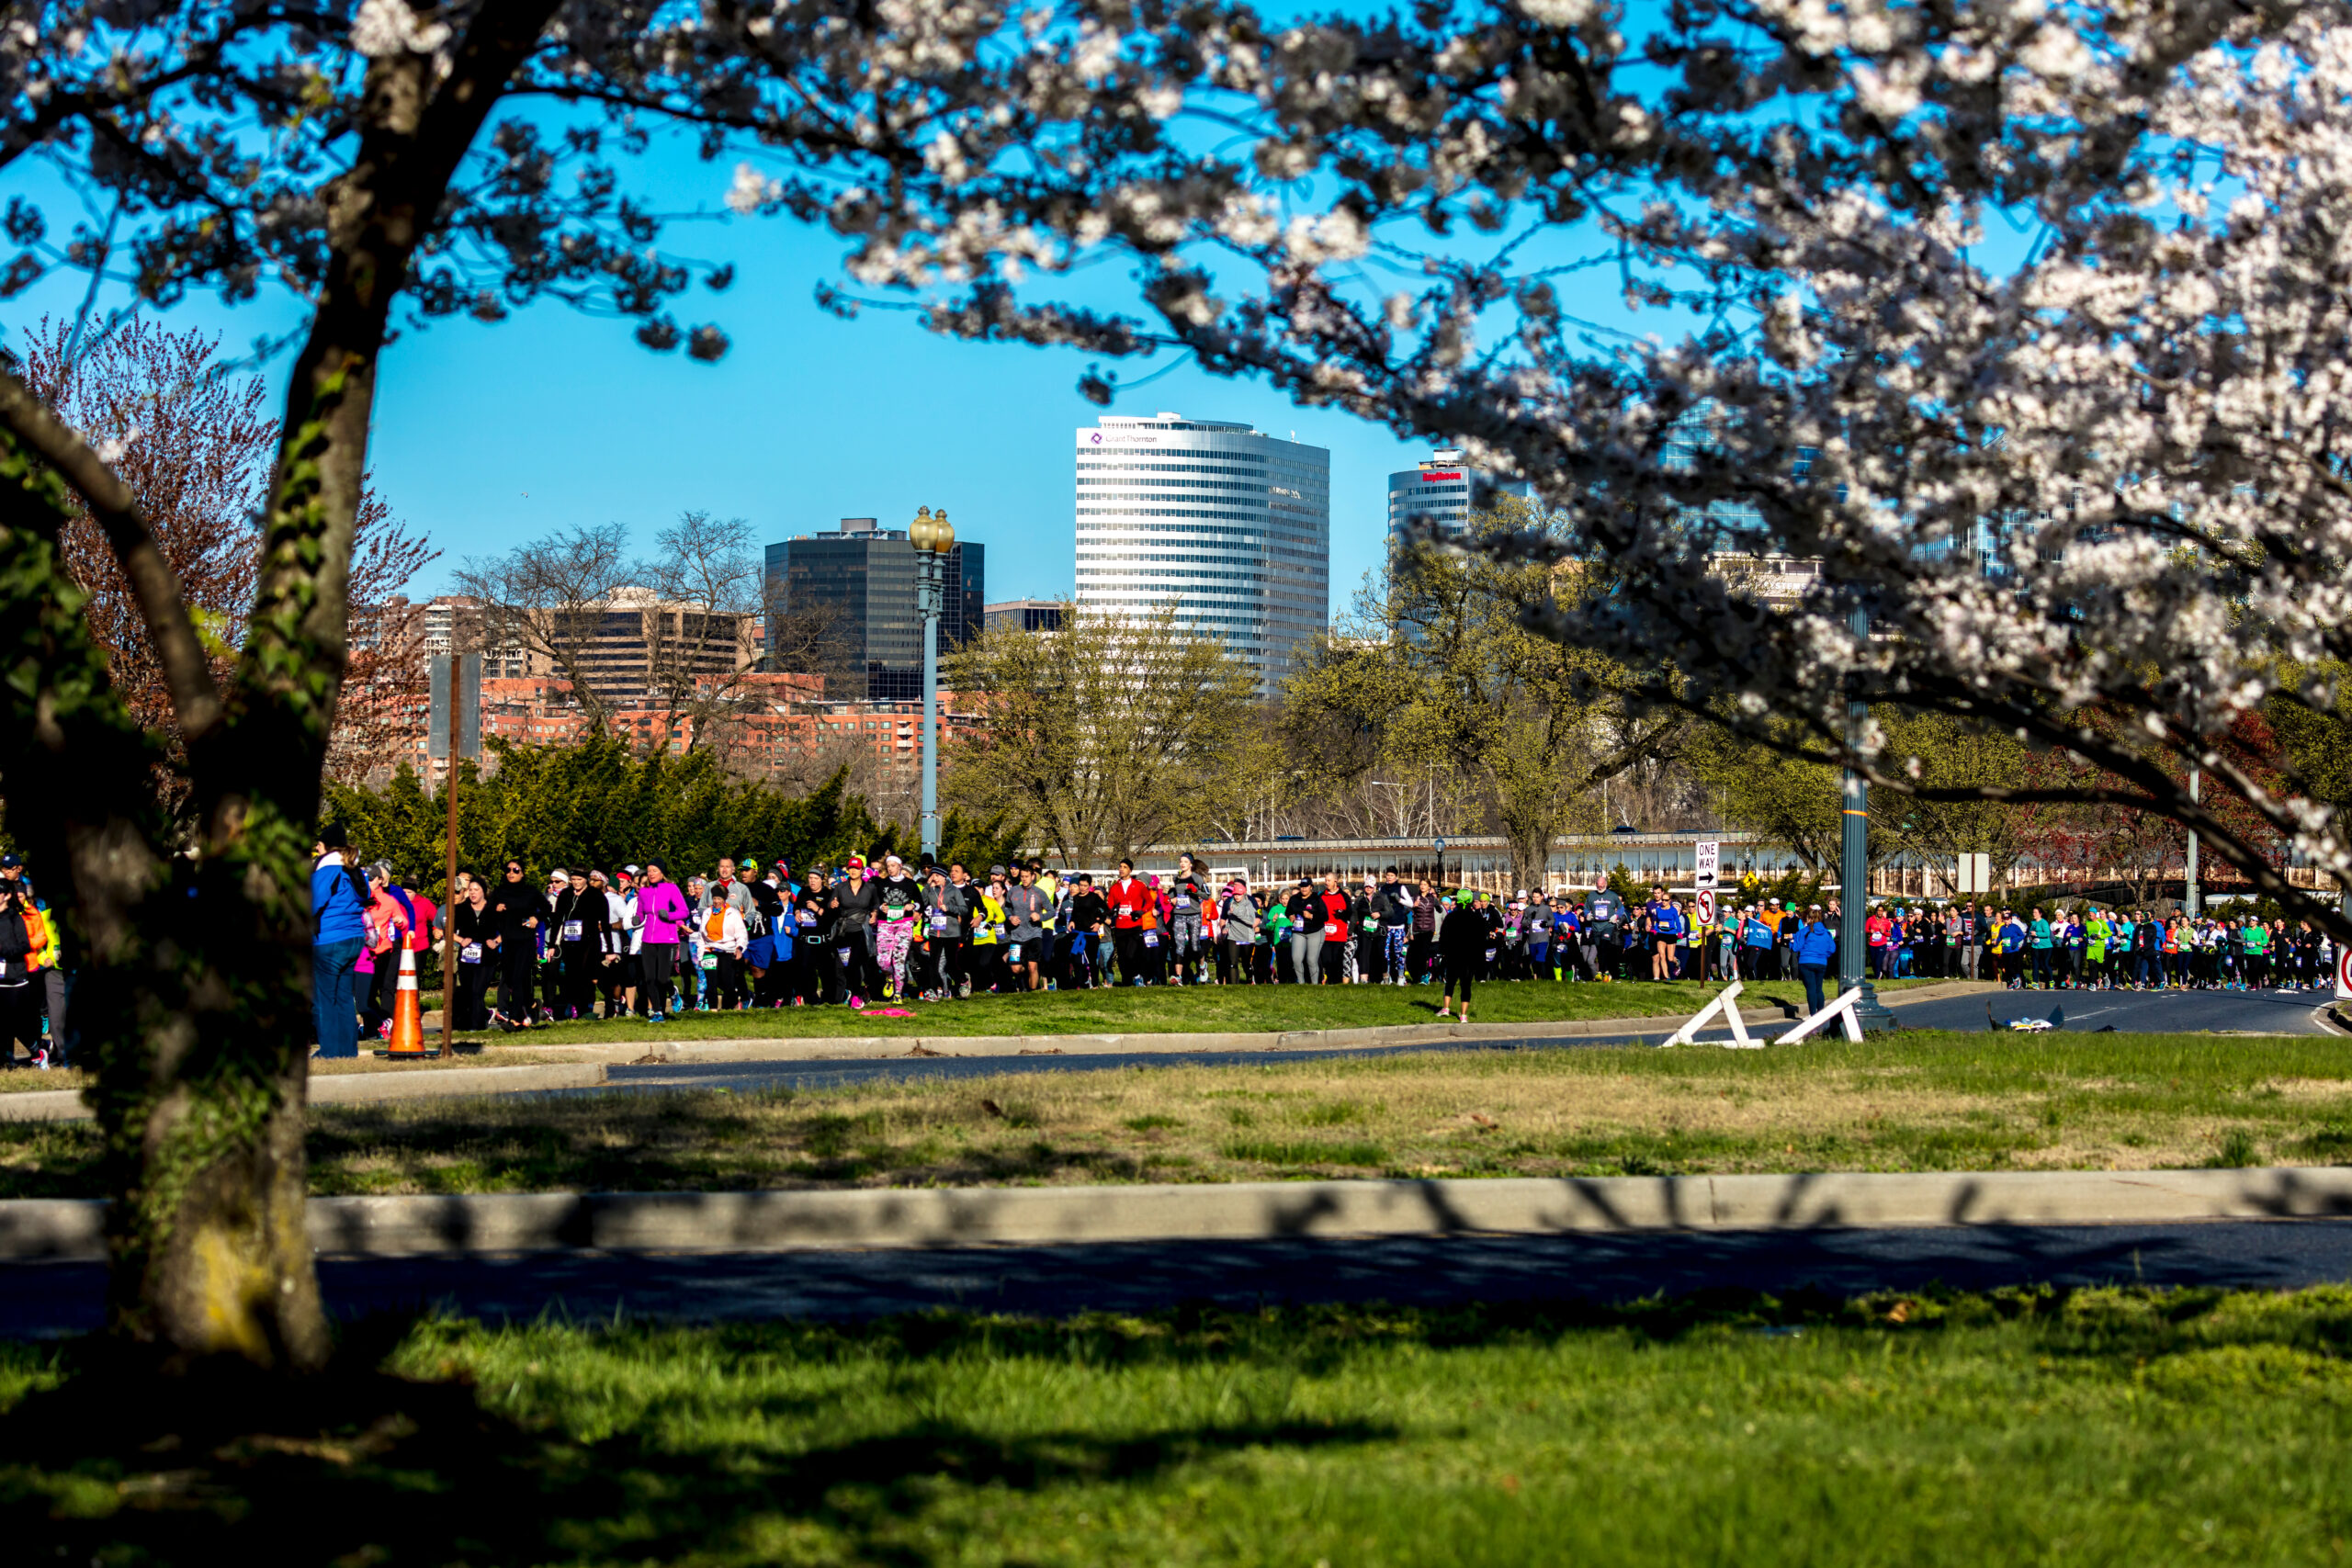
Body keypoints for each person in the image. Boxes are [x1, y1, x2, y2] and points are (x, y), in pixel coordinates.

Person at [310, 825, 369, 1057]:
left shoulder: (327, 871)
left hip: (329, 940)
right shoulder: (355, 872)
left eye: (319, 844)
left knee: (324, 999)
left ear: (326, 846)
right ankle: (348, 1051)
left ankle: (330, 1052)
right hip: (354, 938)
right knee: (344, 997)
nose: (316, 847)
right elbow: (365, 898)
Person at [633, 861, 692, 1021]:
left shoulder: (671, 888)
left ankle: (672, 992)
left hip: (667, 938)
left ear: (662, 873)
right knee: (649, 978)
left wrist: (670, 916)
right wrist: (637, 918)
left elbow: (684, 911)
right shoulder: (644, 891)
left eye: (655, 870)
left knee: (662, 978)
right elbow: (640, 911)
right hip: (648, 940)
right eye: (649, 870)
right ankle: (658, 1012)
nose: (651, 873)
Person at [1436, 888, 1501, 1022]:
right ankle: (1463, 1015)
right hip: (1470, 956)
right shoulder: (1477, 918)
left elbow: (1444, 936)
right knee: (1466, 985)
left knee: (1450, 982)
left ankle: (1446, 1008)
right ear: (1471, 901)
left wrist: (1443, 951)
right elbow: (1482, 939)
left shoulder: (1451, 917)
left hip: (1453, 955)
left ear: (1458, 901)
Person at [450, 878, 493, 1029]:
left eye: (476, 890)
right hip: (466, 957)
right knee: (469, 990)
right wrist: (461, 940)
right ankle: (478, 1018)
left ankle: (477, 1025)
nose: (473, 893)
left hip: (487, 957)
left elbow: (505, 929)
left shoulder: (492, 908)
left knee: (477, 990)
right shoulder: (461, 909)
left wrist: (496, 941)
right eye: (471, 890)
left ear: (484, 892)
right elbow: (447, 932)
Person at [1002, 864, 1049, 992]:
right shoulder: (1013, 891)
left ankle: (1032, 993)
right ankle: (1027, 976)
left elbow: (1051, 911)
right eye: (1022, 876)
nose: (1024, 879)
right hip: (1017, 936)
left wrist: (1039, 916)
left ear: (1032, 876)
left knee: (1032, 966)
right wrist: (1010, 917)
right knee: (1015, 968)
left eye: (1027, 877)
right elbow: (1006, 908)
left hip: (1034, 934)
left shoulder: (1039, 893)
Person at [1167, 852, 1209, 985]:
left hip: (1194, 914)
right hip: (1179, 913)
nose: (1182, 864)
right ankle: (1178, 976)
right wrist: (1170, 898)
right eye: (1181, 861)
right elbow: (1175, 893)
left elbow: (1207, 895)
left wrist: (1194, 891)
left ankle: (1202, 967)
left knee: (1194, 945)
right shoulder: (1177, 878)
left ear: (1190, 864)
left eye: (1185, 861)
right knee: (1179, 945)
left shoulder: (1196, 878)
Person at [1792, 904, 1838, 1015]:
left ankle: (1813, 1014)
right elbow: (1832, 948)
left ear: (1809, 919)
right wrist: (1823, 955)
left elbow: (1796, 947)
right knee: (1818, 988)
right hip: (1821, 962)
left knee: (1811, 988)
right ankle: (1820, 1013)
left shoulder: (1805, 931)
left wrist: (1791, 943)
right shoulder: (1826, 933)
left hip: (1806, 961)